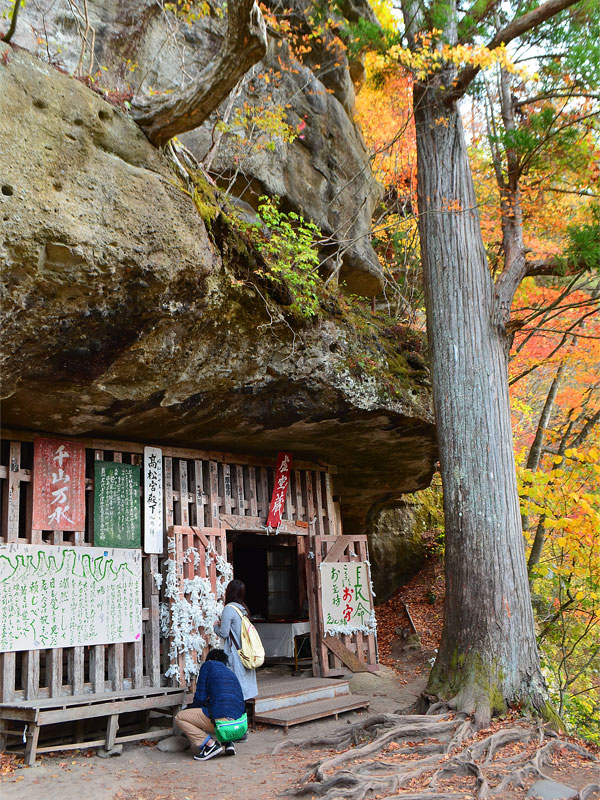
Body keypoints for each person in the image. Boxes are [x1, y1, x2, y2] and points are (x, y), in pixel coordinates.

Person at [175, 649, 246, 761]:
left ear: (210, 659)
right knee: (219, 709)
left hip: (223, 723)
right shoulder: (230, 673)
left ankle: (210, 745)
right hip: (239, 725)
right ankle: (228, 743)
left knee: (180, 717)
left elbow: (200, 697)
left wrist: (193, 711)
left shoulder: (208, 666)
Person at [214, 579, 258, 704]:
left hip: (235, 652)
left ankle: (236, 714)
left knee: (235, 684)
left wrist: (215, 627)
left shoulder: (229, 609)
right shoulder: (243, 609)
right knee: (244, 684)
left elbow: (224, 633)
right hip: (245, 650)